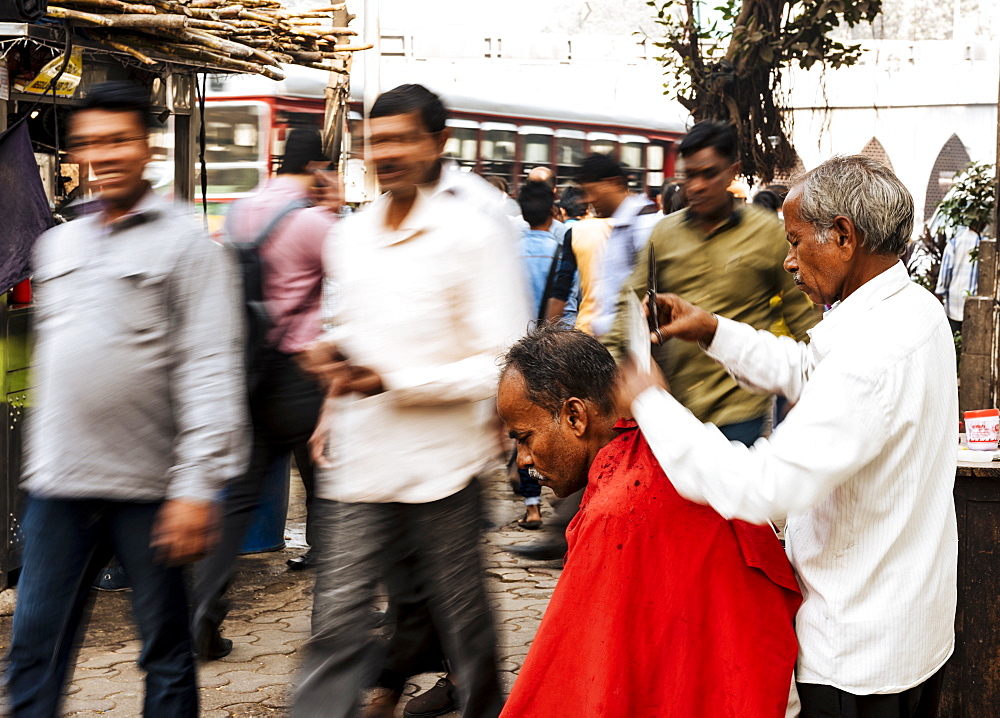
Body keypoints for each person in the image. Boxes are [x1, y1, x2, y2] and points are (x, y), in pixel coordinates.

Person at [619, 155, 957, 718]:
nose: (789, 261)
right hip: (910, 623)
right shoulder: (915, 309)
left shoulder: (874, 353)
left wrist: (650, 402)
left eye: (798, 242)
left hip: (859, 651)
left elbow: (762, 486)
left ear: (845, 236)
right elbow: (813, 374)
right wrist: (713, 330)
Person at [7, 82, 246, 716]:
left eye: (119, 139)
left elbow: (212, 368)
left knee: (164, 651)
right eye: (90, 142)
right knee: (32, 646)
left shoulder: (189, 247)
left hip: (150, 491)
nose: (103, 154)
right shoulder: (56, 245)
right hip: (59, 488)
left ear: (147, 146)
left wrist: (197, 487)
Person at [293, 83, 528, 718]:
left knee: (464, 621)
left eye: (402, 138)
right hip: (359, 465)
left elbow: (506, 363)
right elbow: (349, 330)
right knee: (337, 621)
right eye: (377, 140)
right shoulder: (351, 237)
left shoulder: (473, 234)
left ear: (437, 143)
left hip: (442, 469)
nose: (387, 152)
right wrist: (329, 370)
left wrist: (396, 381)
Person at [496, 325, 801, 717]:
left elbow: (577, 681)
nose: (522, 458)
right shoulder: (665, 450)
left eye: (524, 437)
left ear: (575, 416)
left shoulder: (618, 512)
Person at [192, 128, 341, 660]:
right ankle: (333, 623)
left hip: (249, 371)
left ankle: (203, 621)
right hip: (302, 376)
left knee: (235, 503)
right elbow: (352, 284)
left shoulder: (240, 212)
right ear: (321, 168)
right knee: (331, 494)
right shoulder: (315, 223)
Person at [606, 121, 818, 447]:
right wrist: (619, 364)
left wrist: (813, 386)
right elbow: (631, 300)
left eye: (709, 174)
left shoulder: (767, 234)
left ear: (733, 172)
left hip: (739, 409)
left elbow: (802, 312)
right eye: (689, 175)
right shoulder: (664, 234)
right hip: (675, 405)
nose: (697, 186)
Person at [574, 153, 659, 339]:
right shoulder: (620, 226)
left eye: (591, 191)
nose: (588, 200)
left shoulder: (642, 225)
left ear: (614, 183)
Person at [934, 224, 980, 335]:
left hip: (954, 306)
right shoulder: (982, 243)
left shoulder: (954, 243)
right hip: (974, 307)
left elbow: (944, 277)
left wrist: (939, 295)